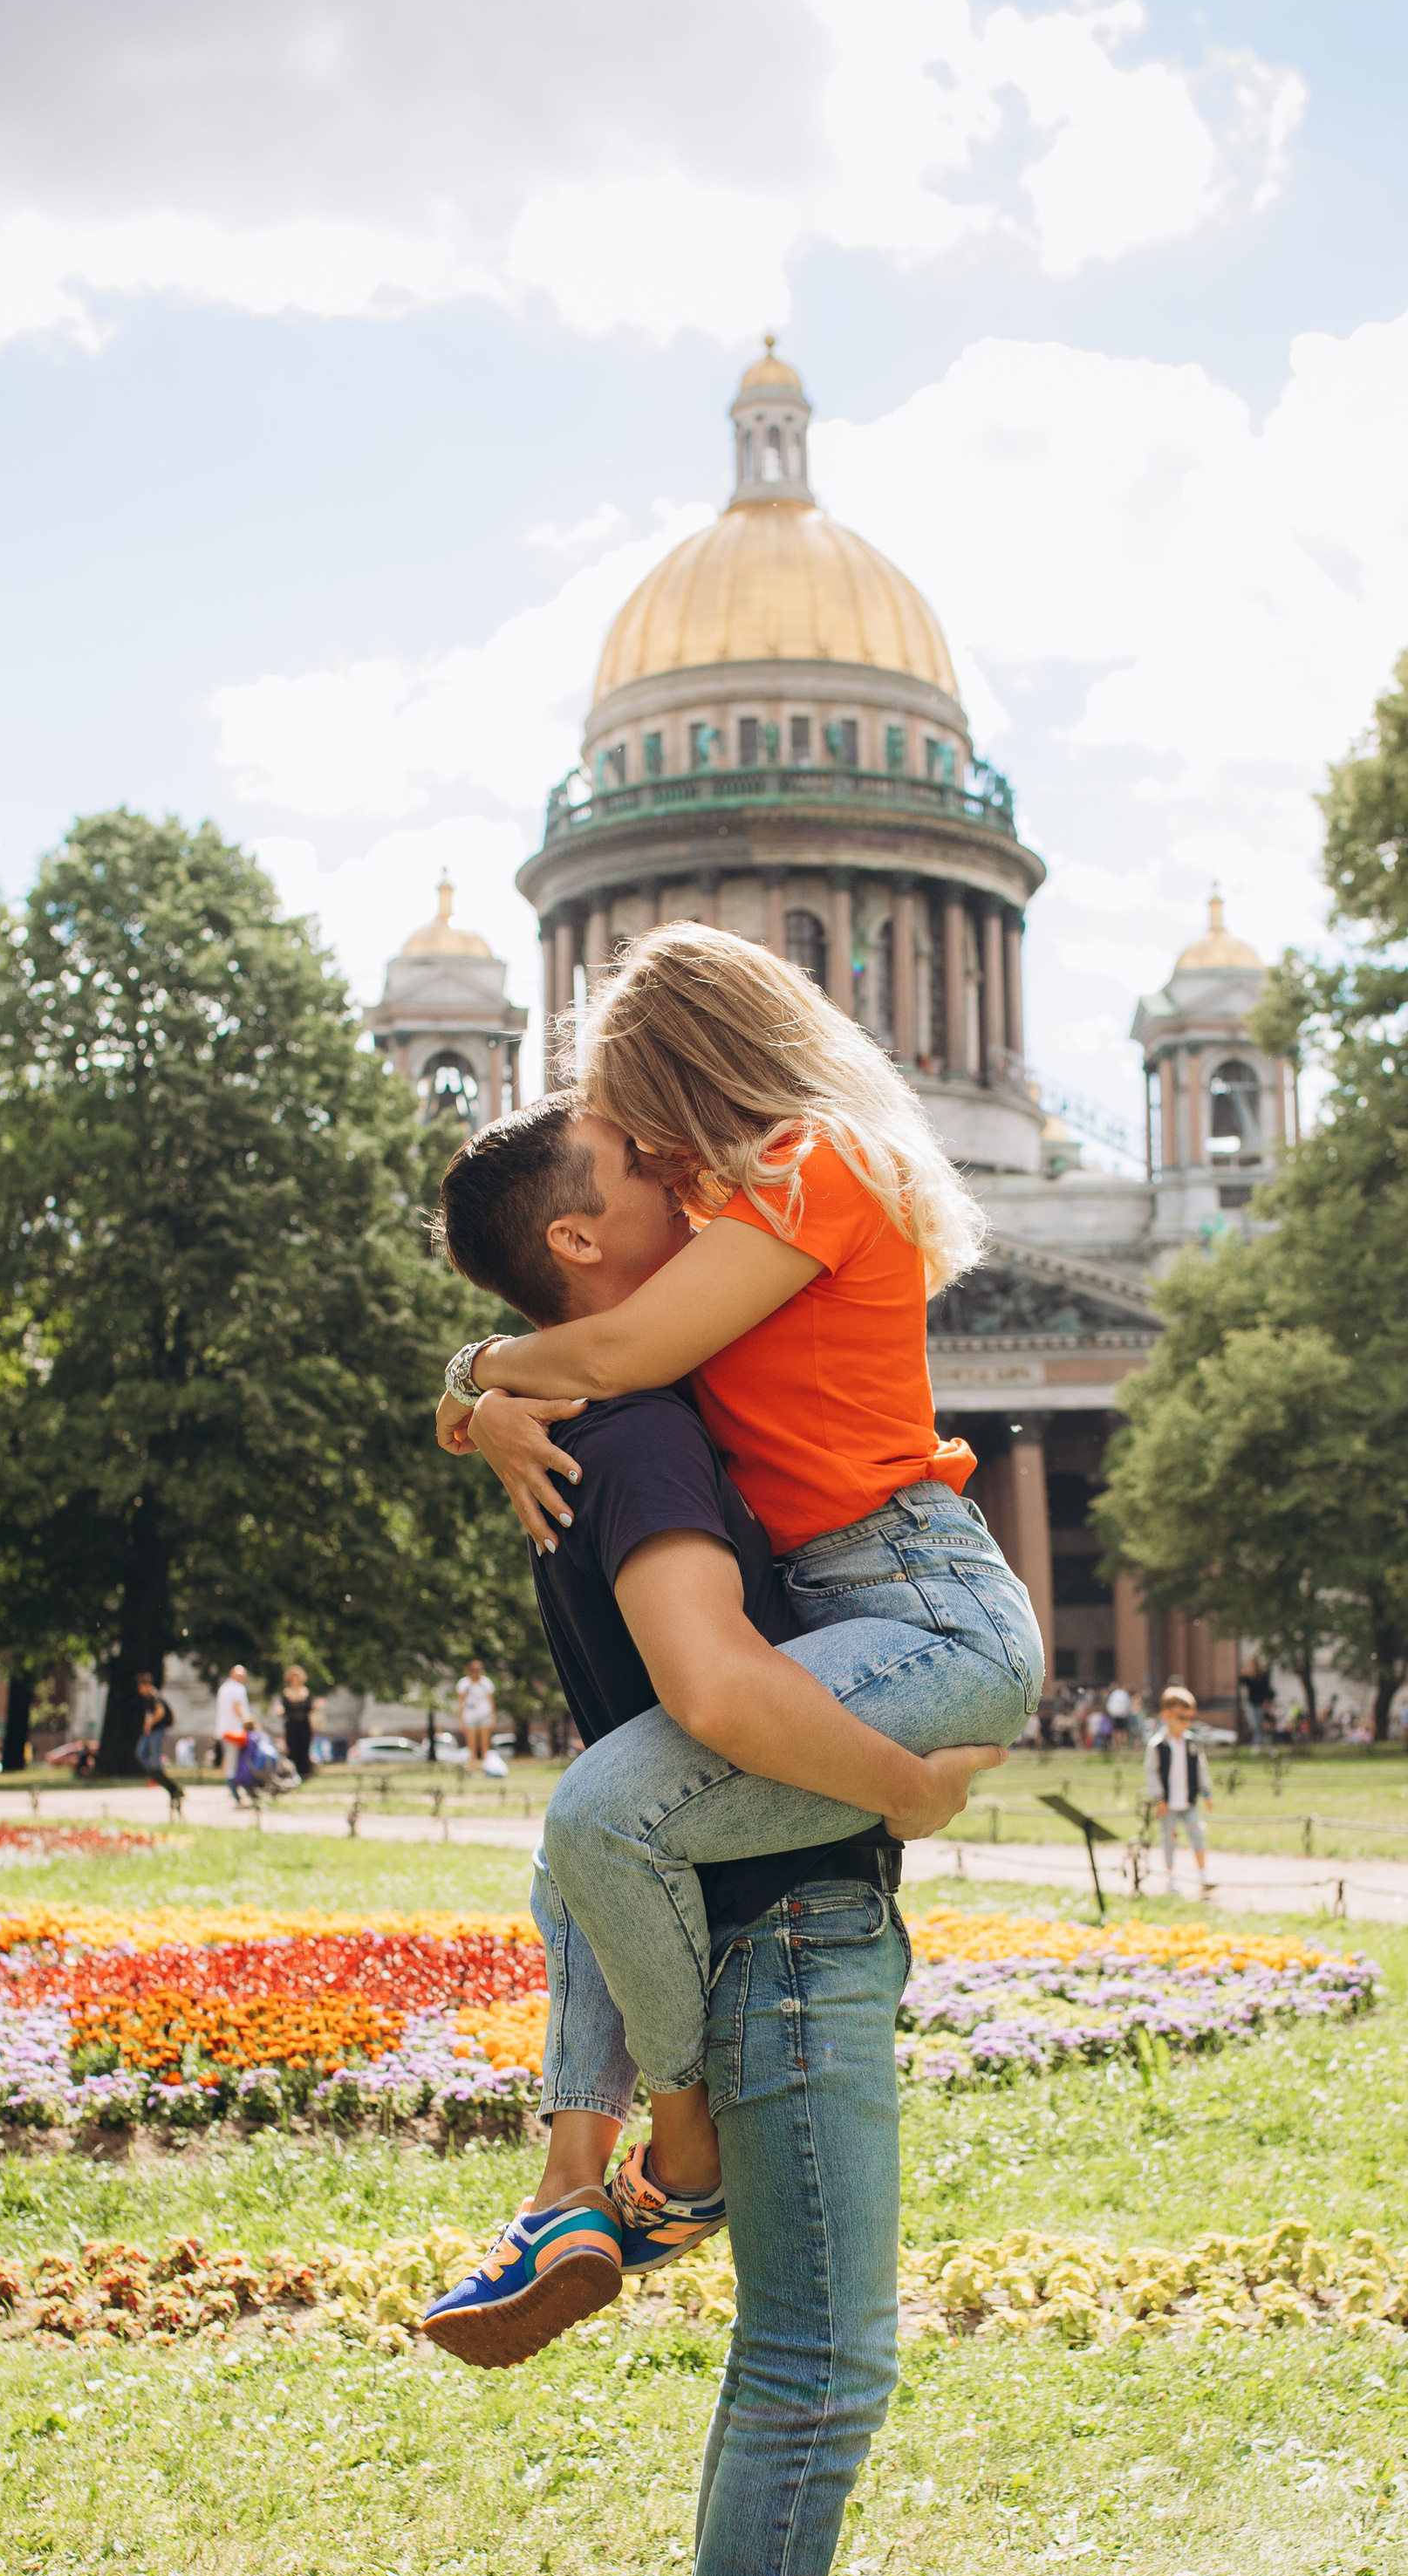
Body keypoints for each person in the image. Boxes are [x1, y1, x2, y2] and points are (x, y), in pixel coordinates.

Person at [419, 1113, 970, 2576]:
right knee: (815, 2379)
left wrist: (467, 1383)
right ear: (586, 1241)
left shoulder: (595, 1405)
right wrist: (907, 1784)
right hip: (782, 1929)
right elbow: (709, 1698)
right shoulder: (645, 1426)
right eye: (636, 1162)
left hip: (747, 1915)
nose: (683, 1173)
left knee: (801, 2377)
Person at [437, 924, 1040, 2220]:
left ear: (690, 1069)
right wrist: (471, 1395)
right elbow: (591, 1325)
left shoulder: (818, 1166)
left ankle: (688, 2152)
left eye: (639, 1117)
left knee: (604, 1815)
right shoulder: (730, 1209)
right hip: (838, 1602)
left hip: (918, 1606)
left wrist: (478, 1375)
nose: (643, 1154)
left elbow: (606, 1352)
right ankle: (567, 2189)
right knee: (578, 1843)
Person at [1144, 1682, 1211, 1894]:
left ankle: (1203, 1873)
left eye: (1190, 1718)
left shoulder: (1192, 1743)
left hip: (1188, 1800)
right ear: (1166, 1715)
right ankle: (1171, 1878)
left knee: (1197, 1834)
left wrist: (1206, 1792)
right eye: (1182, 1718)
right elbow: (1151, 1772)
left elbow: (1201, 1768)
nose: (1187, 1723)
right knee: (1169, 1838)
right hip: (1168, 1802)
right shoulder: (1158, 1745)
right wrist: (1158, 1798)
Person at [135, 1671, 182, 1807]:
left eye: (141, 1686)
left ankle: (157, 1775)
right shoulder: (149, 1698)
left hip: (157, 1732)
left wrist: (150, 1723)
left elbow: (160, 1712)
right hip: (151, 1733)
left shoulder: (155, 1697)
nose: (140, 1689)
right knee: (141, 1754)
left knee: (154, 1760)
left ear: (148, 1685)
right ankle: (155, 1775)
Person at [215, 1664, 254, 1800]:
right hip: (236, 1731)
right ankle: (234, 1787)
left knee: (230, 1760)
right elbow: (237, 1708)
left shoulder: (224, 1688)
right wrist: (249, 1722)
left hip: (224, 1730)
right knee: (236, 1761)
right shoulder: (238, 1688)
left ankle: (231, 1786)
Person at [456, 1656, 497, 1771]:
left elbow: (491, 1701)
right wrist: (461, 1720)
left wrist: (493, 1717)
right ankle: (471, 1769)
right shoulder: (463, 1683)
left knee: (485, 1745)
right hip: (470, 1716)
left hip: (484, 1716)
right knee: (471, 1746)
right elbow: (461, 1703)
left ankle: (487, 1769)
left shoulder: (486, 1682)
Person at [280, 1667, 316, 1783]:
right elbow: (283, 1710)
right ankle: (292, 1773)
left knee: (304, 1748)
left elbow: (310, 1709)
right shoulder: (286, 1692)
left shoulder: (307, 1692)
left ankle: (305, 1773)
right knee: (292, 1749)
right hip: (291, 1725)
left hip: (304, 1724)